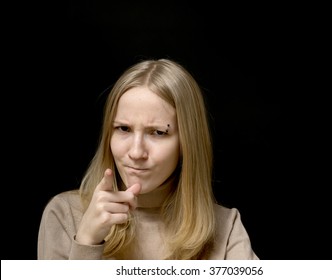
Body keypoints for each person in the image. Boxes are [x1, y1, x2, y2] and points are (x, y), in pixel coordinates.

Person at [37, 58, 259, 260]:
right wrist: (86, 243)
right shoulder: (65, 214)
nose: (136, 152)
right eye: (123, 128)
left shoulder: (226, 228)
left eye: (158, 132)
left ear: (187, 143)